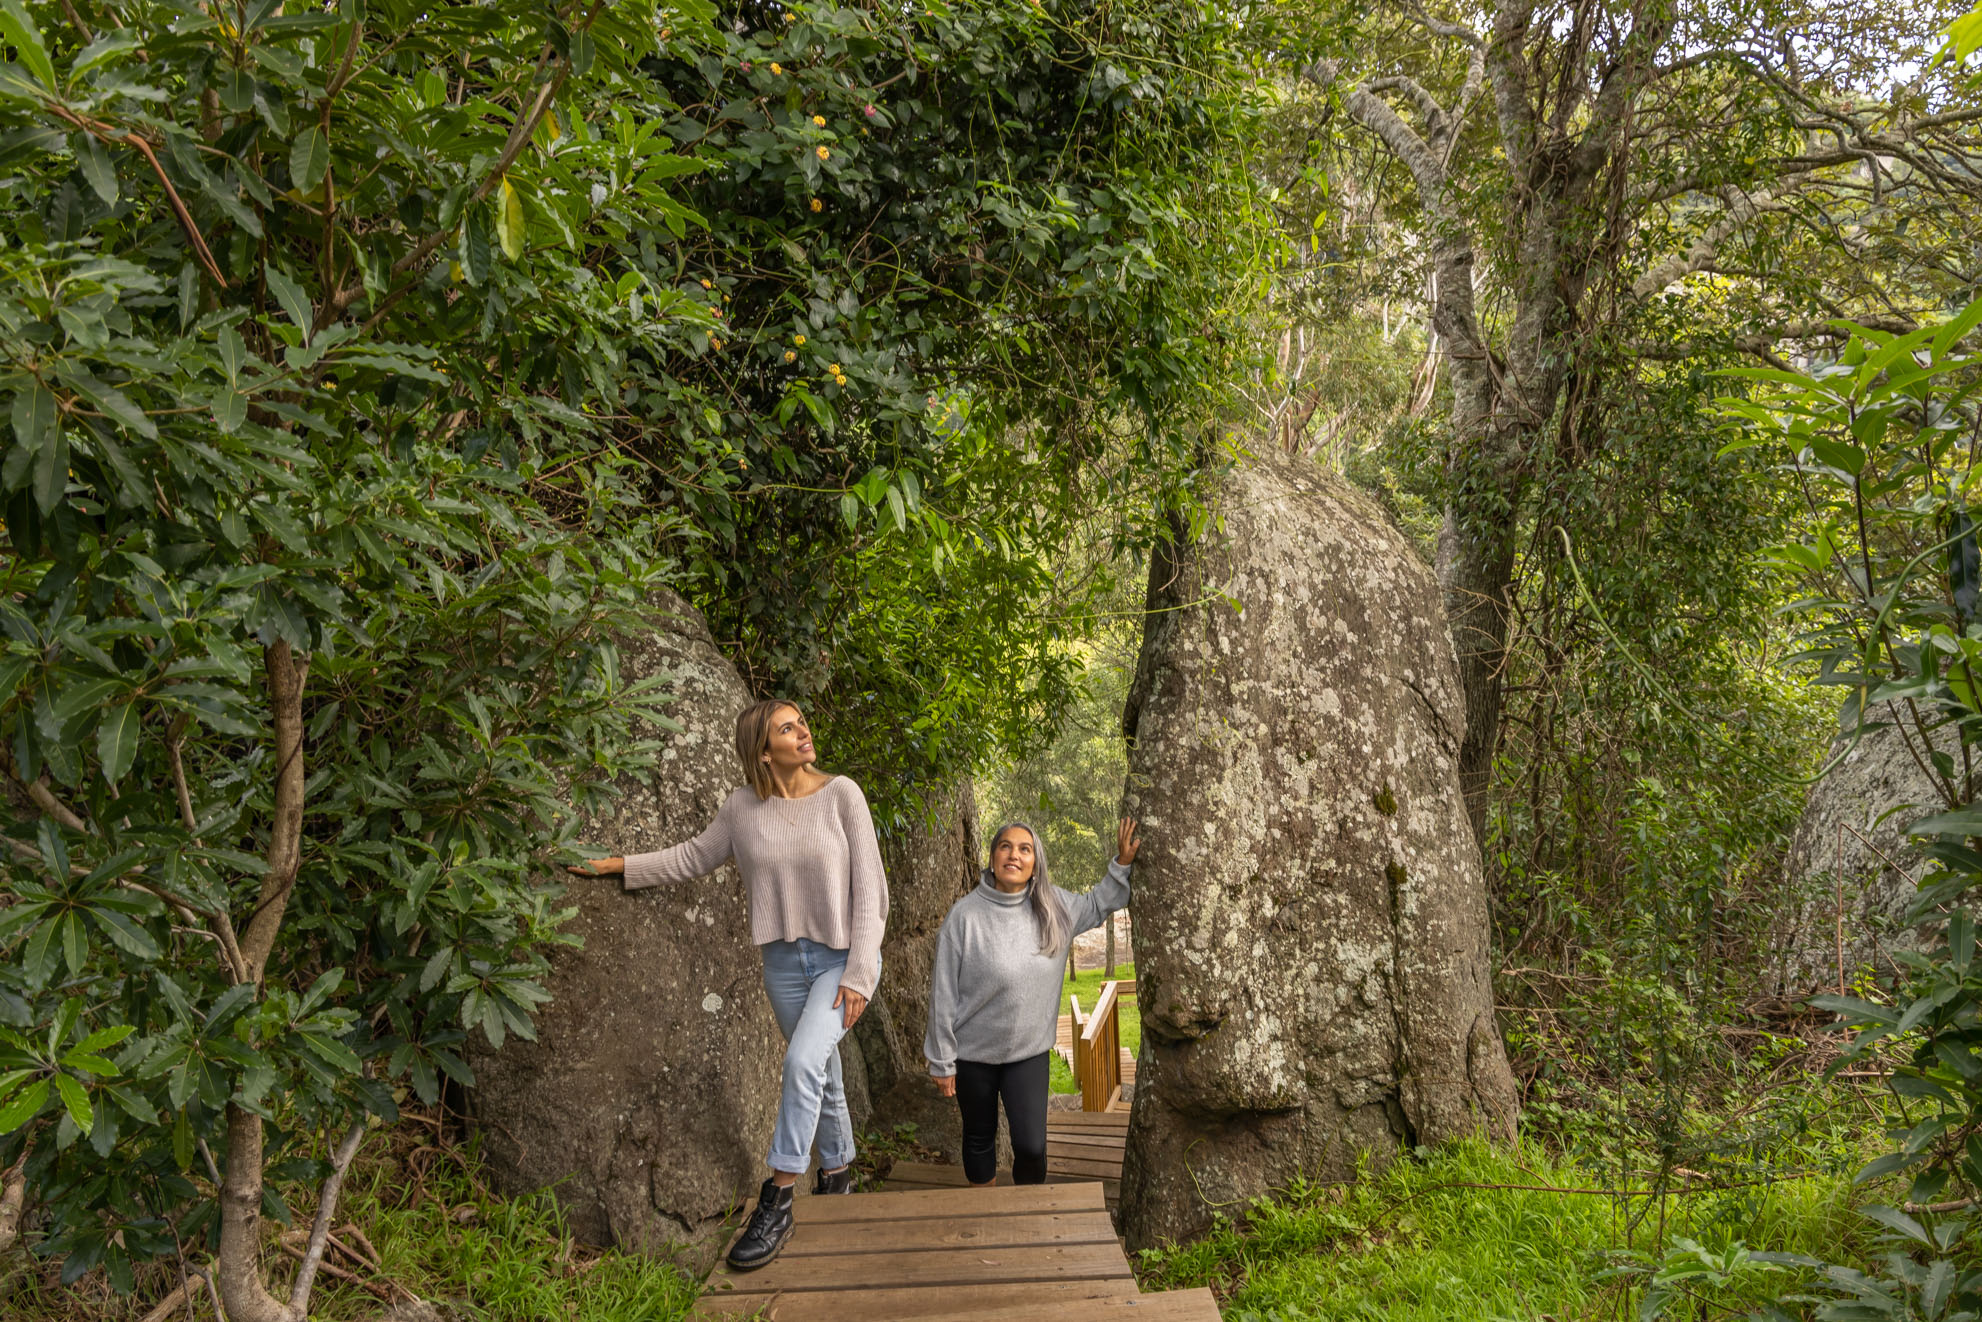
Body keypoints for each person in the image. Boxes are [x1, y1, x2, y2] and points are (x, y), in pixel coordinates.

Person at [569, 699, 886, 1272]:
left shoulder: (843, 794)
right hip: (782, 966)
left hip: (840, 961)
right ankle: (838, 1173)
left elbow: (871, 889)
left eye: (801, 722)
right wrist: (619, 866)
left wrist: (861, 973)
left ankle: (779, 1198)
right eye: (787, 728)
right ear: (764, 751)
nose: (803, 731)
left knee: (801, 1062)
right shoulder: (742, 809)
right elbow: (693, 856)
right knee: (823, 1071)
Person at [924, 817, 1140, 1187]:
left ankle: (1031, 1210)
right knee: (978, 1138)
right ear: (992, 858)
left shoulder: (1056, 906)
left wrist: (1122, 862)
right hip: (972, 1054)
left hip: (1028, 1053)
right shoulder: (964, 917)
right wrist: (942, 1060)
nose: (1014, 855)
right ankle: (984, 1207)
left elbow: (1099, 902)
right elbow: (942, 993)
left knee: (1031, 1146)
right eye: (1005, 846)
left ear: (1035, 862)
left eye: (1025, 849)